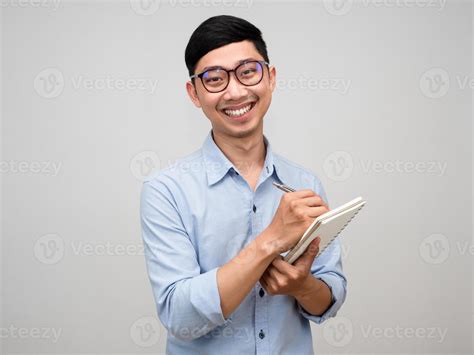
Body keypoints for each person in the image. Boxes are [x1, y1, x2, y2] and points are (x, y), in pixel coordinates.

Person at [140, 15, 347, 354]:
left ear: (271, 78)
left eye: (248, 72)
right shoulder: (166, 190)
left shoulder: (305, 183)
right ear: (194, 93)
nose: (236, 92)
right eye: (215, 79)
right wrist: (269, 241)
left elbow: (330, 299)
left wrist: (302, 285)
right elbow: (179, 316)